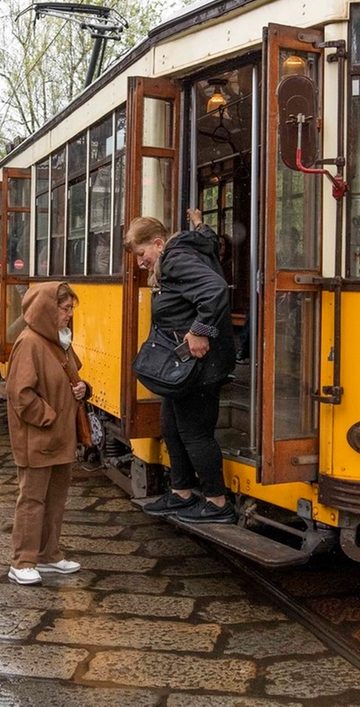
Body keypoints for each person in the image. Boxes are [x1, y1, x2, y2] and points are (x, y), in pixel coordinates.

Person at [125, 210, 237, 524]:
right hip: (183, 364)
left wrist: (201, 331)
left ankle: (217, 503)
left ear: (158, 243)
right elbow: (210, 239)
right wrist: (200, 222)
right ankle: (182, 492)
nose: (140, 262)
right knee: (172, 427)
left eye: (142, 254)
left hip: (200, 365)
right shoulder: (182, 251)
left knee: (195, 434)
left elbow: (215, 291)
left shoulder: (174, 259)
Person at [5, 282, 90, 585]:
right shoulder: (30, 343)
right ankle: (23, 560)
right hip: (40, 437)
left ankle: (49, 554)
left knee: (55, 498)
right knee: (32, 499)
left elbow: (72, 380)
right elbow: (20, 395)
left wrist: (83, 389)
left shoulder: (57, 341)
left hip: (58, 436)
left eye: (70, 309)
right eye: (65, 309)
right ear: (48, 310)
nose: (69, 315)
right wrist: (49, 417)